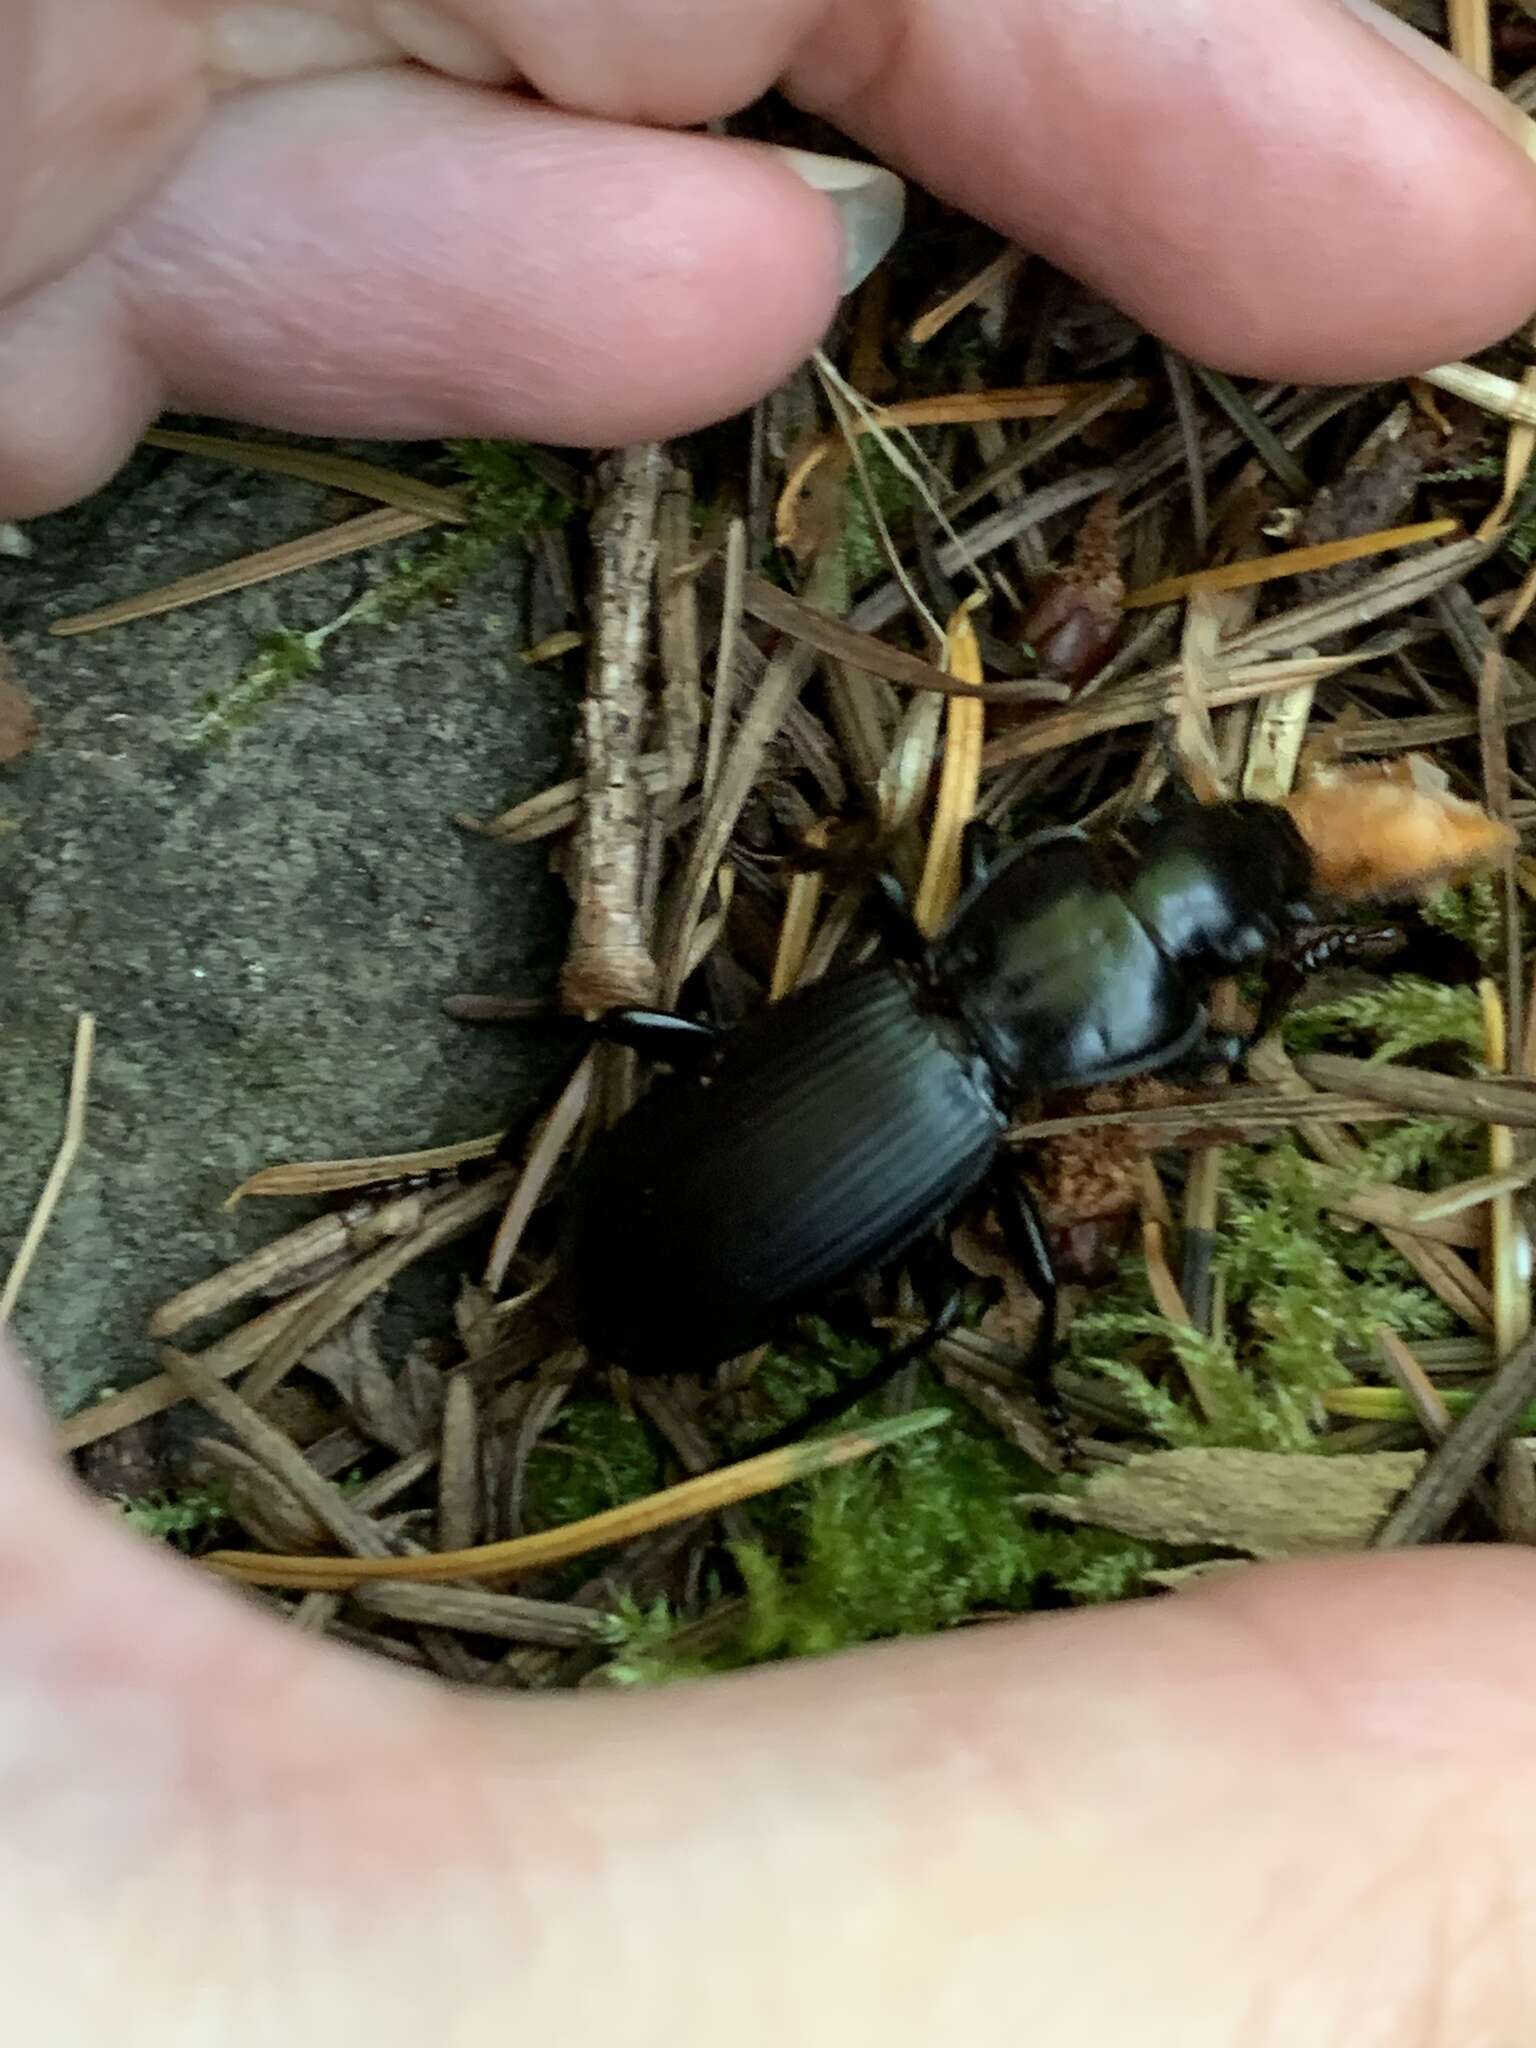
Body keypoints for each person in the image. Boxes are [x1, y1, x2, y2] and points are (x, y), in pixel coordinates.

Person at [3, 4, 1536, 2039]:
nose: (1175, 870)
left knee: (786, 1167)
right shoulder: (1033, 1059)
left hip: (784, 1153)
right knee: (913, 1309)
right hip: (792, 1178)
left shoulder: (943, 964)